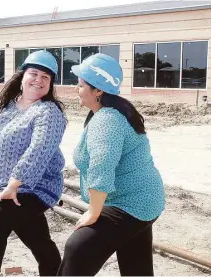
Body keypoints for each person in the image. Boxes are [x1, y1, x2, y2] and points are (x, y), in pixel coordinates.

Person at [57, 53, 165, 276]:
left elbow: (101, 167)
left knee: (78, 248)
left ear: (98, 91)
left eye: (80, 85)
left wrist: (94, 212)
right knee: (136, 264)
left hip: (132, 203)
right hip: (143, 198)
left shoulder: (107, 120)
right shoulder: (109, 113)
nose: (76, 89)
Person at [0, 50, 67, 276]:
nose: (39, 80)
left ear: (50, 84)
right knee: (39, 240)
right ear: (22, 76)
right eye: (34, 74)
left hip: (33, 188)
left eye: (46, 77)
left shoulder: (48, 111)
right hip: (5, 188)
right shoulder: (10, 107)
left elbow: (39, 150)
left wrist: (14, 185)